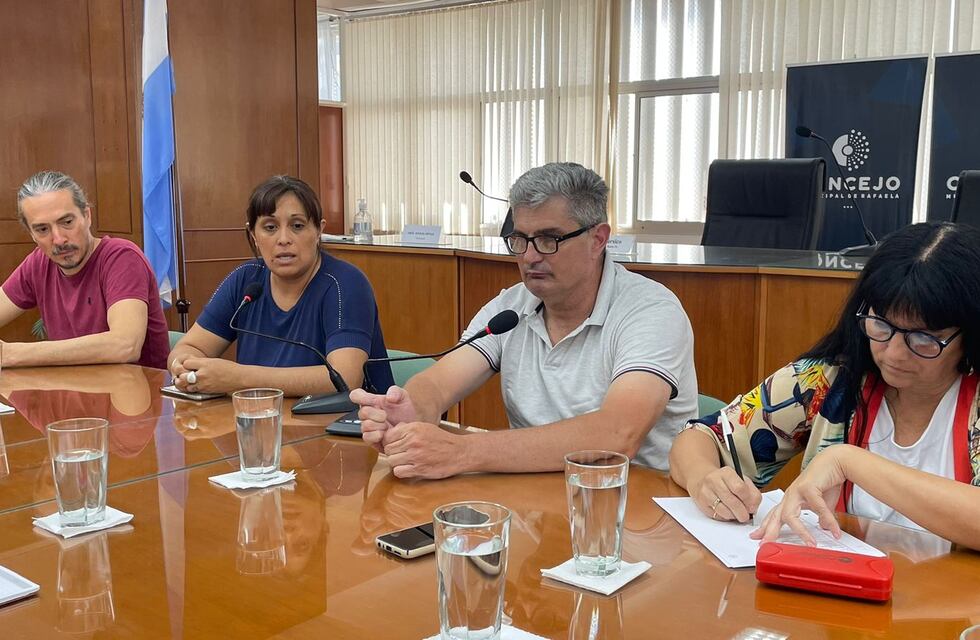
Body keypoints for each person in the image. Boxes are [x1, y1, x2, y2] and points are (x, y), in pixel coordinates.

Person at [351, 162, 697, 479]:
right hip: (533, 503)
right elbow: (441, 381)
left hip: (632, 513)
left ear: (598, 239)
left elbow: (617, 434)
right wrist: (414, 408)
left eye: (548, 239)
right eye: (519, 239)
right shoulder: (511, 307)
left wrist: (463, 452)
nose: (530, 256)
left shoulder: (651, 310)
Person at [669, 221, 980, 550]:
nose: (894, 352)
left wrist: (850, 461)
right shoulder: (828, 380)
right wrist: (703, 478)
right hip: (843, 591)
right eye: (880, 324)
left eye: (922, 338)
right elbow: (701, 437)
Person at [168, 175, 393, 396]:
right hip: (261, 422)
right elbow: (191, 347)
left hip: (346, 427)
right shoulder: (246, 280)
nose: (283, 239)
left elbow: (345, 378)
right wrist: (182, 366)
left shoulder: (345, 283)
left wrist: (238, 379)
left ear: (318, 231)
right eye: (270, 227)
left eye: (297, 225)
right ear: (253, 235)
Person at [0, 171, 170, 369]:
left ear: (87, 216)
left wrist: (9, 354)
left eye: (67, 222)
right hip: (75, 392)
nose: (59, 239)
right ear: (31, 234)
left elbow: (125, 345)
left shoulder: (121, 257)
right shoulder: (38, 263)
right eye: (42, 229)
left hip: (140, 394)